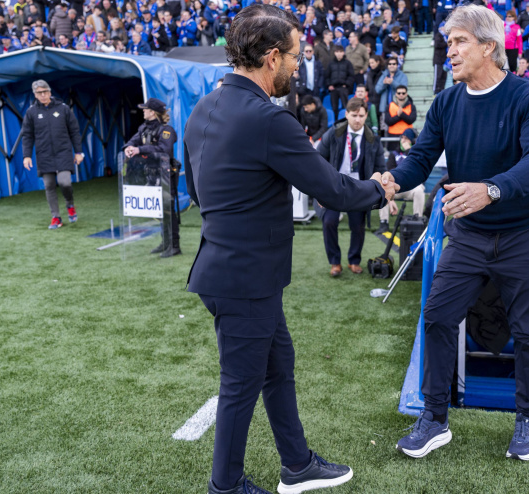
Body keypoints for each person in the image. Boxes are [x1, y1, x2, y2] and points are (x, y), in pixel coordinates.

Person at [182, 6, 394, 493]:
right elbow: (334, 192)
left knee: (279, 368)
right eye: (295, 57)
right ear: (271, 57)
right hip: (245, 278)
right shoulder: (268, 119)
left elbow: (195, 191)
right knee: (240, 387)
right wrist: (380, 189)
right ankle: (226, 486)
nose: (299, 66)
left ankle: (297, 465)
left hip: (228, 268)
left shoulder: (201, 109)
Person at [383, 5, 529, 462]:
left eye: (459, 42)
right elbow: (420, 159)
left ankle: (527, 421)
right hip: (471, 235)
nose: (450, 51)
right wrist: (392, 181)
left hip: (524, 233)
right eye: (449, 42)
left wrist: (491, 190)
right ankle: (435, 419)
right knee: (438, 317)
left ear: (488, 46)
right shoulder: (445, 102)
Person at [317, 97, 387, 276]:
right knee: (329, 221)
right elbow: (317, 161)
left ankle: (354, 260)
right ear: (346, 114)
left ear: (366, 116)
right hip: (335, 184)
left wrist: (384, 192)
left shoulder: (373, 139)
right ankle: (334, 262)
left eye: (361, 116)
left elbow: (380, 168)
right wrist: (319, 191)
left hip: (358, 186)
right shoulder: (333, 134)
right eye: (354, 115)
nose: (358, 119)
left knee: (358, 225)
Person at [21, 80, 84, 230]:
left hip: (63, 152)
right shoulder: (31, 112)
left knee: (64, 182)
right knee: (49, 185)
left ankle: (70, 205)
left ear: (50, 92)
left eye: (45, 92)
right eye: (39, 93)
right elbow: (27, 135)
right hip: (44, 154)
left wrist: (79, 152)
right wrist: (27, 155)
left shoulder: (63, 108)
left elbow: (74, 131)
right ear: (35, 95)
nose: (42, 95)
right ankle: (56, 217)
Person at [123, 98, 180, 257]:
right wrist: (129, 148)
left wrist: (139, 149)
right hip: (150, 174)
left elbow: (165, 149)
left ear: (153, 112)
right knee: (159, 210)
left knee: (168, 210)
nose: (143, 110)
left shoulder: (166, 130)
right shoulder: (143, 128)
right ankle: (165, 243)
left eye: (145, 109)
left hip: (165, 175)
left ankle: (174, 245)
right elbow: (132, 142)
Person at [377, 127, 425, 234]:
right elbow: (388, 172)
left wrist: (409, 151)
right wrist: (391, 197)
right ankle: (383, 222)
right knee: (383, 190)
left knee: (419, 191)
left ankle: (417, 221)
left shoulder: (417, 154)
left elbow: (419, 170)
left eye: (407, 139)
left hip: (412, 187)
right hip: (396, 187)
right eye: (402, 138)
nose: (403, 140)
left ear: (412, 141)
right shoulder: (394, 154)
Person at [325, 44, 355, 120]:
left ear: (343, 53)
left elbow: (351, 76)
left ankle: (346, 121)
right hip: (333, 88)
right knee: (334, 108)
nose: (339, 53)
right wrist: (329, 85)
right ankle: (335, 123)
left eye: (340, 51)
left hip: (343, 87)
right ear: (335, 53)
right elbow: (327, 76)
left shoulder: (348, 63)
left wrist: (347, 84)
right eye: (337, 51)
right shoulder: (330, 63)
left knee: (345, 107)